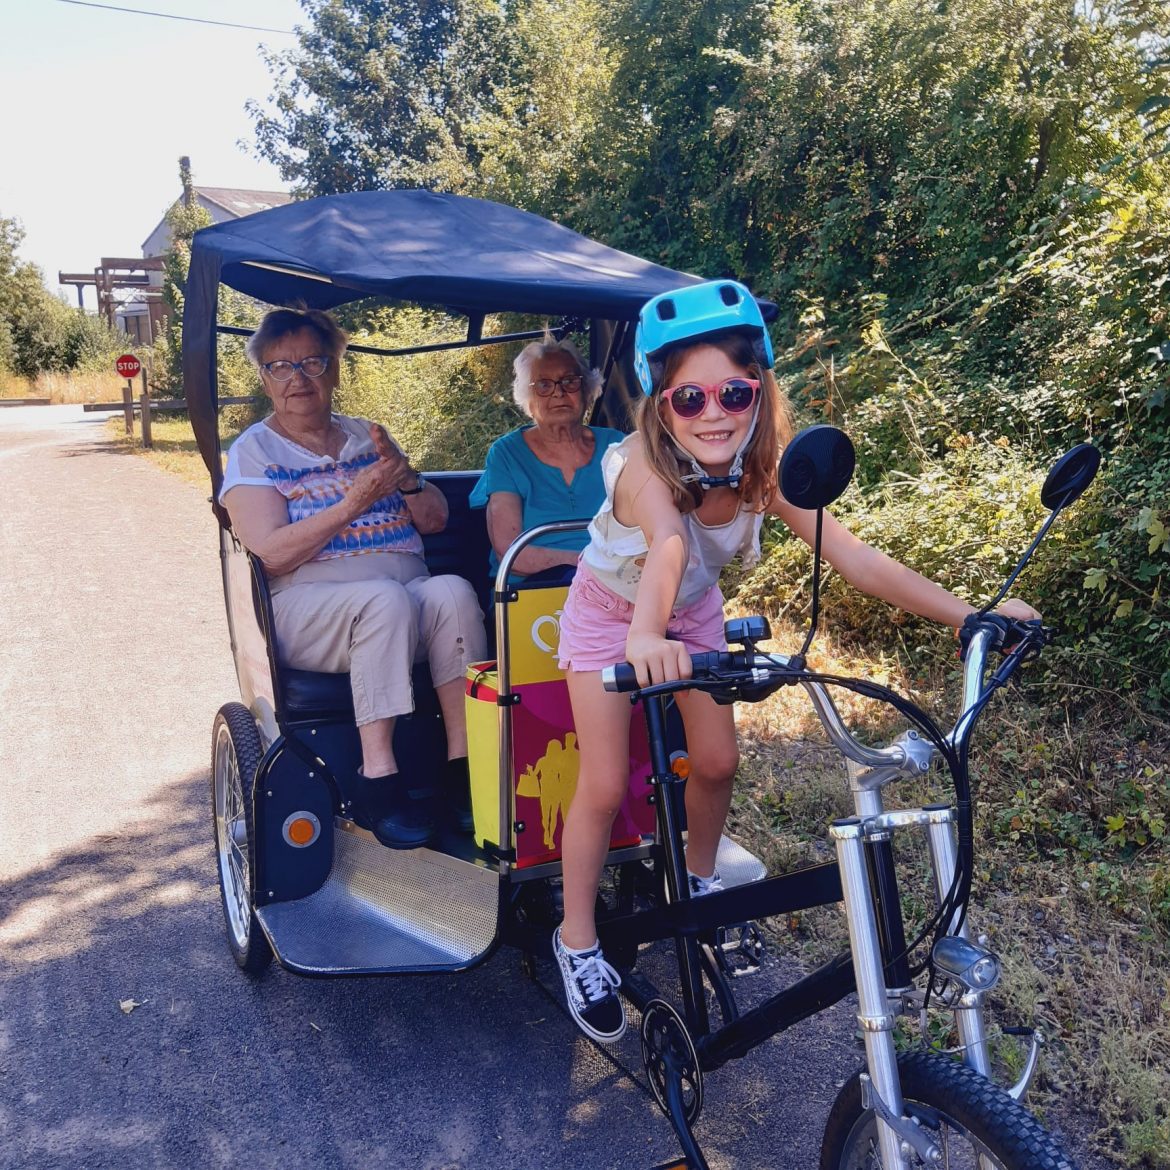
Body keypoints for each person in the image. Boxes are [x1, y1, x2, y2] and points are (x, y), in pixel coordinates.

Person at [551, 280, 1041, 1043]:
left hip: (690, 612)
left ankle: (702, 885)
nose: (712, 413)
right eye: (689, 399)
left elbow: (853, 557)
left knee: (715, 762)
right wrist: (645, 638)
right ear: (658, 405)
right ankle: (577, 939)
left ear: (759, 393)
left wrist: (967, 612)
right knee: (605, 782)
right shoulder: (643, 468)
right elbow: (668, 542)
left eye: (733, 393)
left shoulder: (763, 470)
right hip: (611, 613)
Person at [219, 307, 488, 849]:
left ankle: (466, 770)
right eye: (280, 367)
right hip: (307, 606)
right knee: (382, 600)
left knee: (454, 592)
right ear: (265, 379)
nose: (298, 379)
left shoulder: (369, 436)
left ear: (335, 369)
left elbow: (434, 520)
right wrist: (353, 502)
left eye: (313, 363)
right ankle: (377, 777)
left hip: (402, 598)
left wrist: (409, 478)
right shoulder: (253, 451)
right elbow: (269, 555)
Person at [469, 334, 625, 583]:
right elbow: (512, 552)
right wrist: (589, 565)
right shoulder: (506, 454)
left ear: (587, 393)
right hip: (536, 590)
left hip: (619, 582)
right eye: (544, 385)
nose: (559, 393)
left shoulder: (618, 446)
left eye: (570, 382)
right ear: (528, 401)